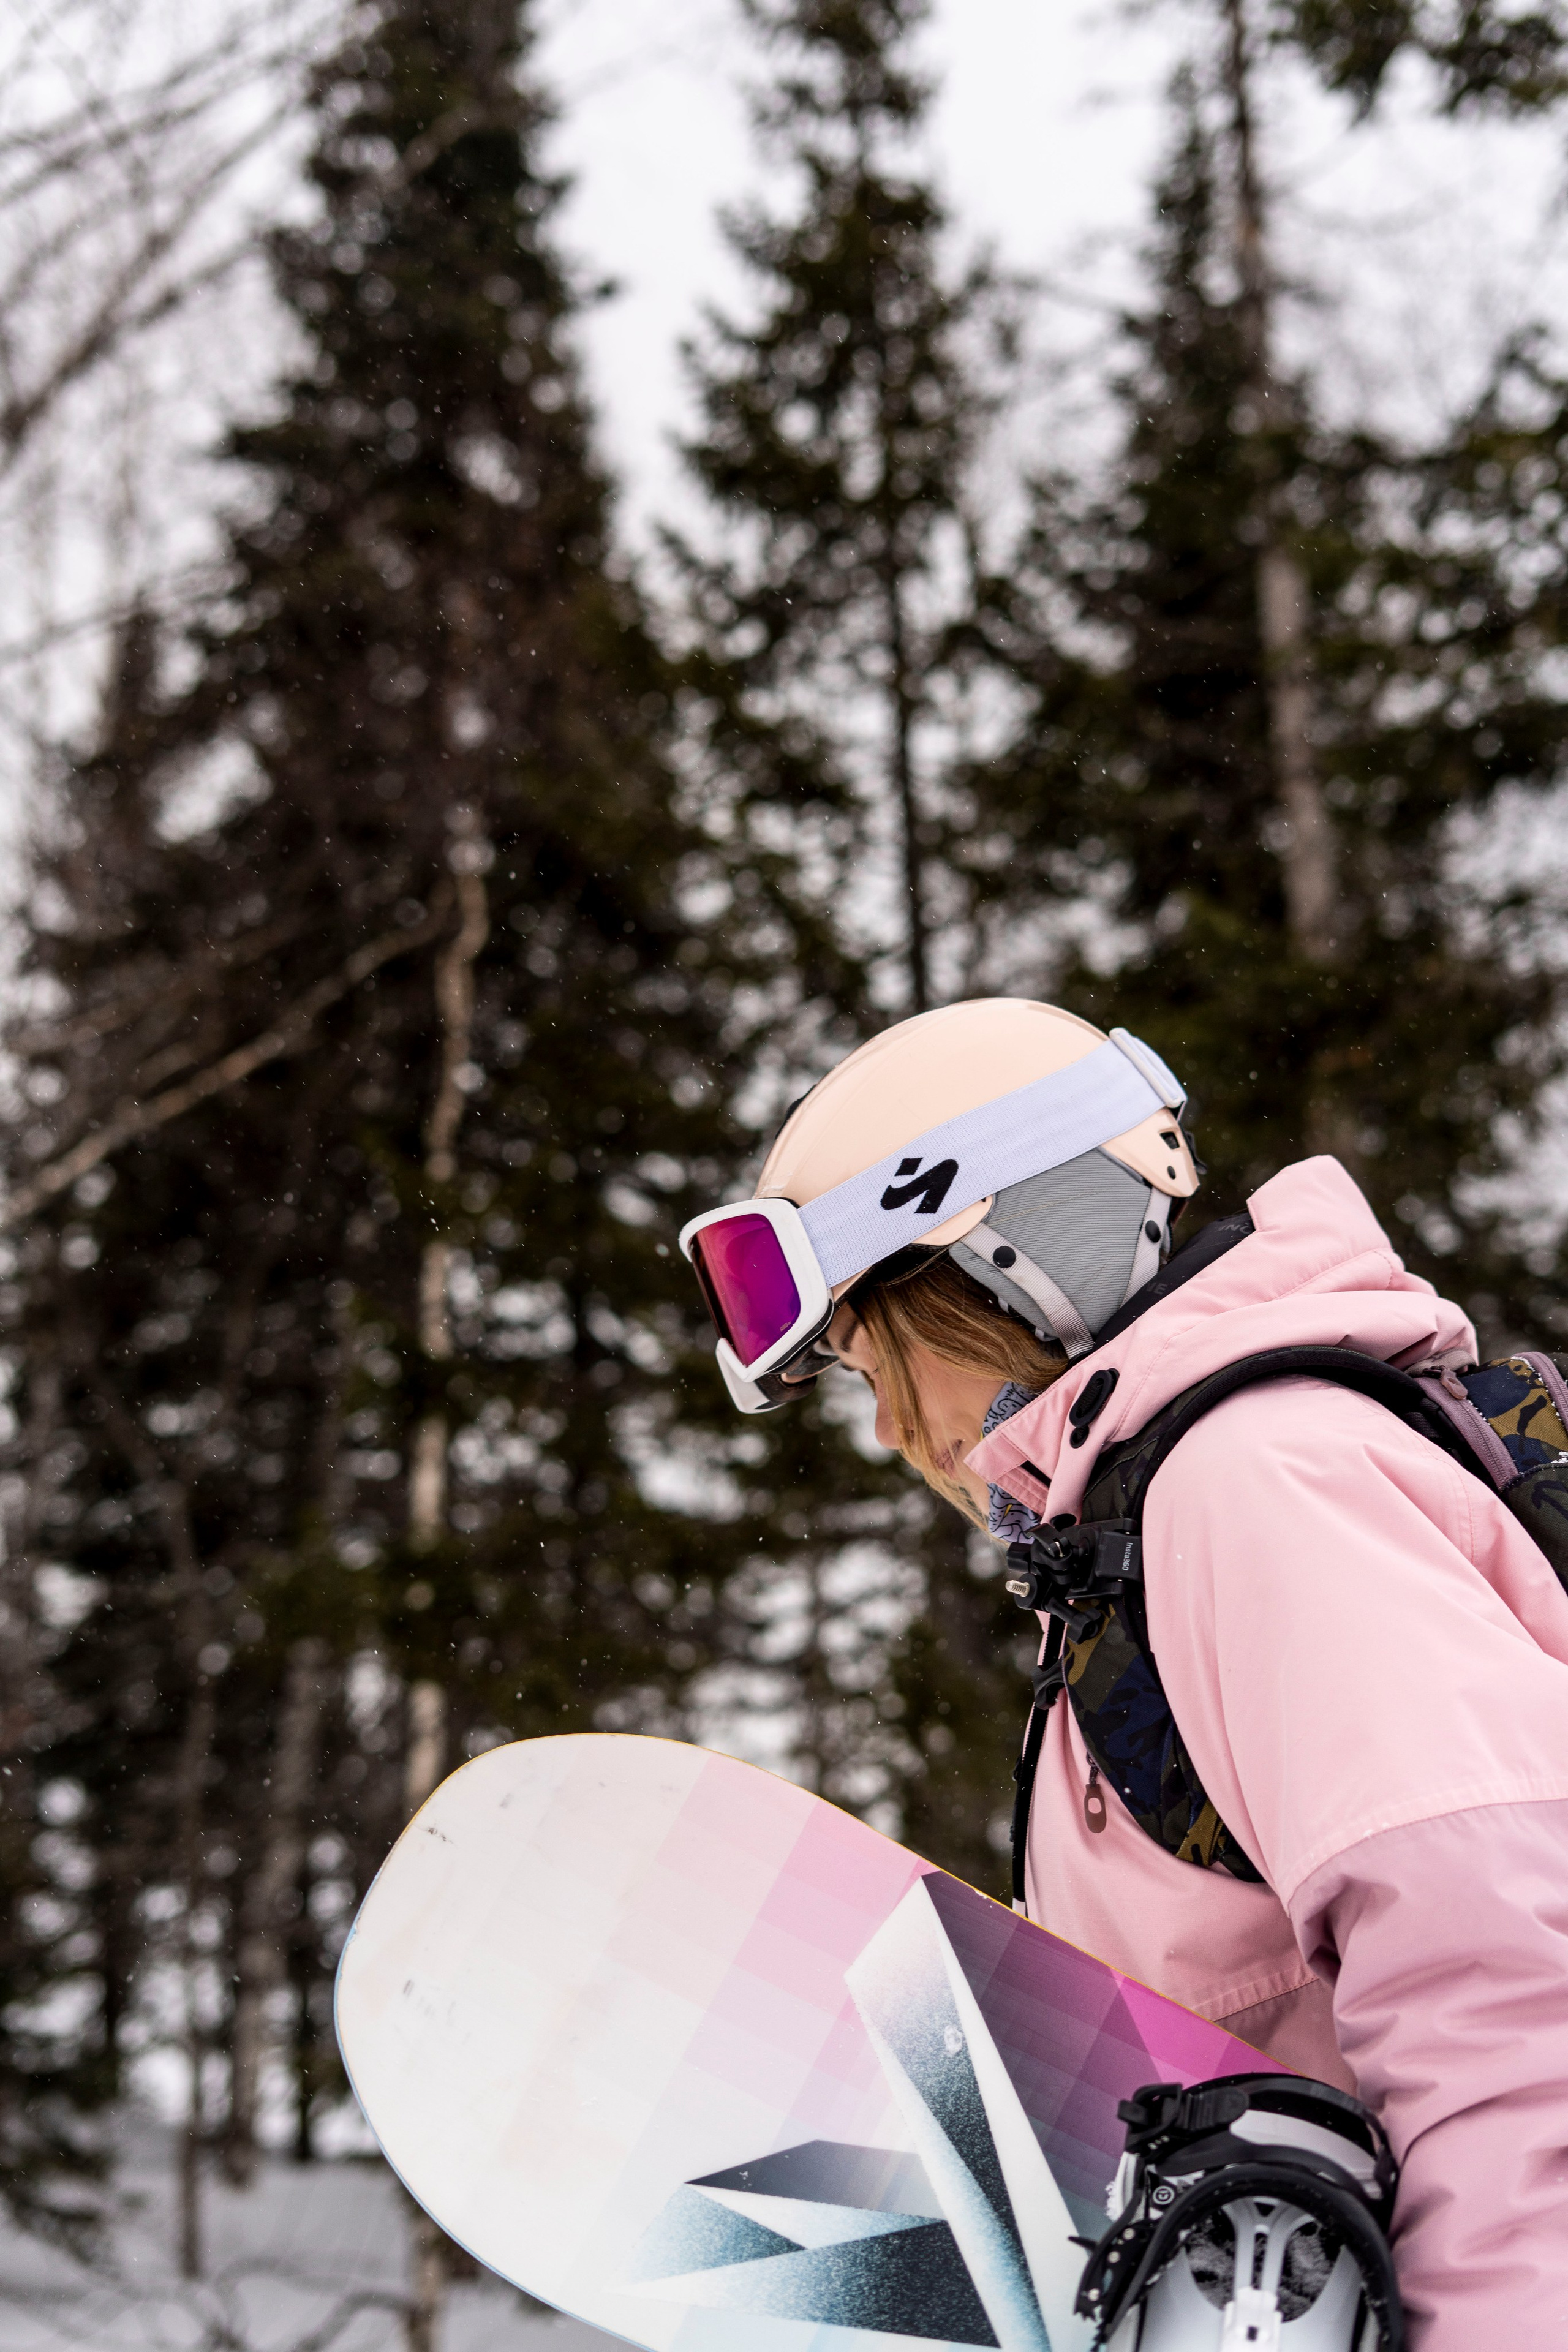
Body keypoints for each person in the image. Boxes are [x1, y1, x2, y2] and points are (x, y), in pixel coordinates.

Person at [679, 997, 1568, 2349]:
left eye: (875, 1356)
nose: (882, 1426)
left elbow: (1508, 2004)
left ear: (1004, 1266)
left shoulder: (1259, 1481)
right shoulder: (1141, 1532)